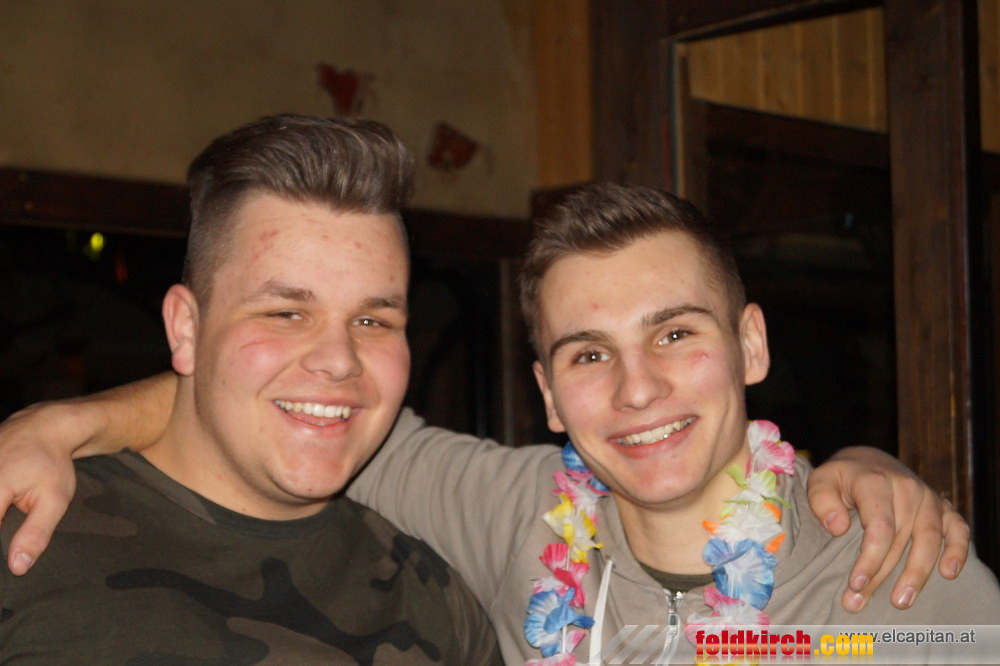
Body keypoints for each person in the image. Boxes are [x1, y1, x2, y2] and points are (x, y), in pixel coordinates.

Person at [0, 133, 973, 659]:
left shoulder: (908, 576)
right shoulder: (509, 519)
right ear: (546, 392)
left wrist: (865, 463)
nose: (638, 387)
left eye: (676, 333)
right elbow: (283, 407)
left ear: (749, 342)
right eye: (588, 354)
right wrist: (60, 422)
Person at [0, 115, 501, 664]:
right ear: (186, 329)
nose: (339, 360)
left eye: (372, 321)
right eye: (287, 313)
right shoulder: (25, 535)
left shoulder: (439, 607)